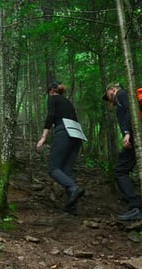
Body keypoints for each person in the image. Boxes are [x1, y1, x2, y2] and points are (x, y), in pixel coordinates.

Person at [102, 82, 142, 221]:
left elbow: (131, 111)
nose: (109, 99)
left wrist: (127, 133)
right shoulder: (132, 96)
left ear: (113, 89)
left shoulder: (122, 94)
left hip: (138, 136)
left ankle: (136, 208)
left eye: (108, 95)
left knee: (120, 171)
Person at [36, 82, 85, 215]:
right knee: (66, 172)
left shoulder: (52, 98)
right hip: (78, 135)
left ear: (51, 91)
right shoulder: (68, 102)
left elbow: (50, 116)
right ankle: (71, 207)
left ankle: (73, 187)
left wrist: (43, 137)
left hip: (64, 132)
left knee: (53, 168)